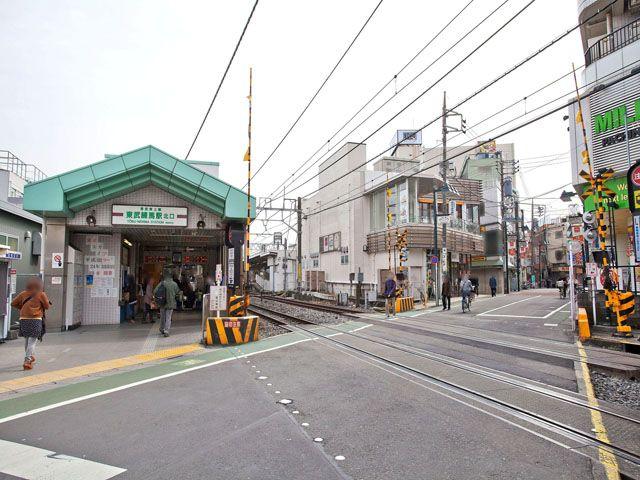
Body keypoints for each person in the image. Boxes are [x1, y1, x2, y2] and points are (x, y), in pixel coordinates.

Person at [11, 278, 50, 370]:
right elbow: (47, 306)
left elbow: (13, 303)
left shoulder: (23, 294)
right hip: (35, 319)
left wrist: (22, 308)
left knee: (27, 339)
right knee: (32, 341)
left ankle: (30, 356)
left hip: (23, 319)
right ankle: (27, 360)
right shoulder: (41, 294)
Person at [154, 271, 180, 337]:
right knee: (168, 317)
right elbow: (178, 292)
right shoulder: (174, 284)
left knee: (162, 317)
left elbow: (155, 291)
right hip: (171, 303)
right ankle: (166, 330)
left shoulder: (162, 283)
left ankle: (161, 328)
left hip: (162, 303)